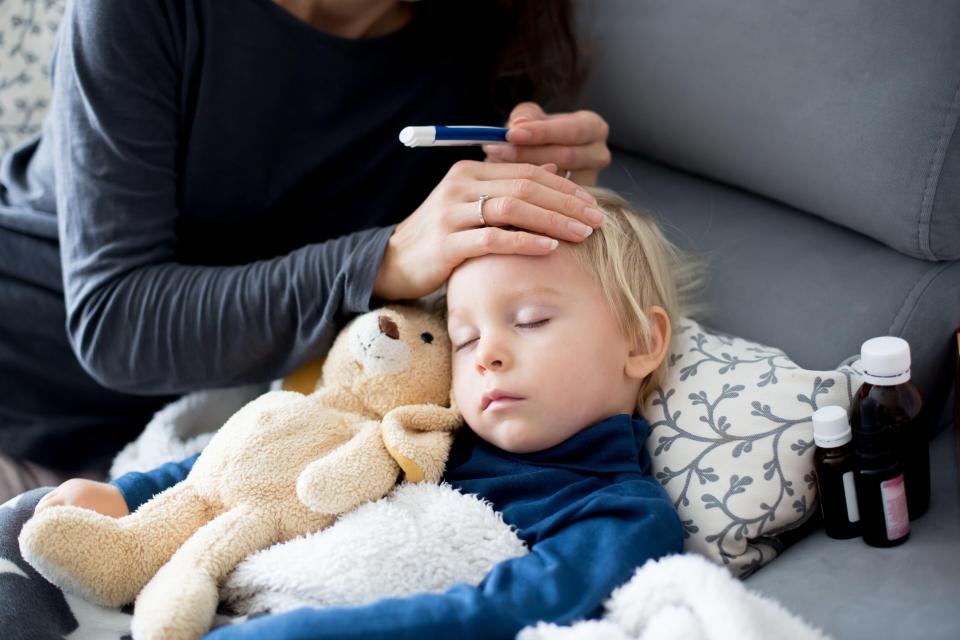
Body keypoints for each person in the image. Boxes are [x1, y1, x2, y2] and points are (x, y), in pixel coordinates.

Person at [0, 0, 613, 502]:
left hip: (210, 445)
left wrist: (544, 203)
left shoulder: (485, 55)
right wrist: (381, 260)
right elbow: (116, 324)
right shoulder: (143, 13)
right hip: (28, 381)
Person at [34, 186, 703, 639]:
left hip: (287, 624)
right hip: (196, 576)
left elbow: (492, 614)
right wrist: (131, 495)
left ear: (641, 342)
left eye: (530, 320)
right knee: (27, 534)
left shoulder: (617, 514)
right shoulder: (427, 426)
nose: (487, 355)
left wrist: (295, 634)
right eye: (465, 339)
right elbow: (267, 457)